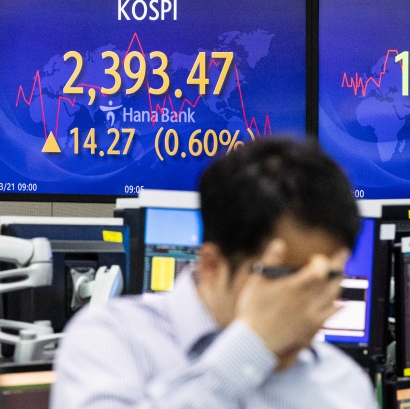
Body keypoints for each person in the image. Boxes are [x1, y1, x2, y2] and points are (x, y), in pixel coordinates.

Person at [51, 137, 378, 408]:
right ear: (211, 266)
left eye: (326, 279)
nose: (304, 306)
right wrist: (251, 345)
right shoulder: (110, 340)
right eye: (282, 278)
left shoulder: (342, 386)